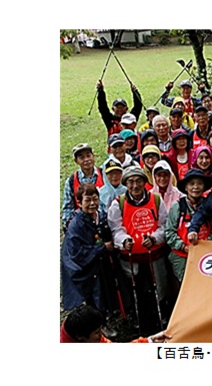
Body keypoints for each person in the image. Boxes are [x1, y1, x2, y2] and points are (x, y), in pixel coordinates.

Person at [107, 166, 170, 335]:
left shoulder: (156, 200)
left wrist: (155, 238)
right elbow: (116, 229)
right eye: (131, 182)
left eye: (139, 181)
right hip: (131, 259)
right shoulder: (118, 203)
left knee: (159, 289)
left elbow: (164, 225)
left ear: (144, 182)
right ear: (126, 183)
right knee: (136, 292)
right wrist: (123, 240)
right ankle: (138, 323)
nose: (135, 186)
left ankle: (162, 320)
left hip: (154, 256)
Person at [61, 183, 115, 314]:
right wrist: (101, 248)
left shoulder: (101, 216)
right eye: (88, 200)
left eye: (95, 199)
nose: (92, 203)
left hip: (100, 262)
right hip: (83, 267)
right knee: (93, 295)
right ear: (79, 203)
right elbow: (76, 253)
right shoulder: (76, 225)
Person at [166, 169, 212, 283]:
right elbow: (169, 232)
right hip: (182, 256)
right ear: (186, 187)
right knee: (186, 285)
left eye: (199, 183)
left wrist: (207, 244)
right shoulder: (177, 206)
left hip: (206, 255)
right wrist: (183, 247)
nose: (195, 187)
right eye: (192, 184)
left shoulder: (210, 205)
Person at [60, 305, 171, 343]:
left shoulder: (93, 338)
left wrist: (149, 341)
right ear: (80, 337)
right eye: (97, 332)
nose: (102, 334)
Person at [62, 143, 105, 230]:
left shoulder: (104, 174)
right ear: (76, 161)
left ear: (93, 156)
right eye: (81, 157)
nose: (86, 160)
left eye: (88, 155)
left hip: (104, 222)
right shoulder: (71, 181)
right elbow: (68, 209)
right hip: (82, 225)